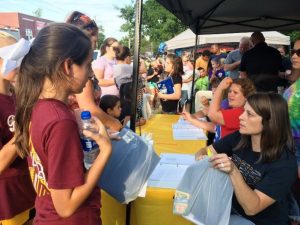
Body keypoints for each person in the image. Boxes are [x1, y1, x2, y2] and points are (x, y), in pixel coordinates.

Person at [14, 23, 112, 225]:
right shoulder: (60, 121)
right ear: (67, 67)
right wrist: (105, 151)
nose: (91, 74)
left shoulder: (38, 106)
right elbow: (65, 207)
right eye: (87, 65)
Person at [195, 93, 297, 225]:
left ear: (270, 122)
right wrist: (202, 158)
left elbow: (252, 208)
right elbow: (206, 150)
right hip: (230, 209)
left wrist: (233, 171)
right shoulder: (240, 137)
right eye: (244, 111)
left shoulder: (284, 164)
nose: (240, 117)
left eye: (250, 114)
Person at [0, 31, 36, 225]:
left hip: (25, 186)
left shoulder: (15, 94)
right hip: (6, 198)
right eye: (15, 57)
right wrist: (24, 129)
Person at [66, 11, 122, 131]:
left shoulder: (81, 63)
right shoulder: (78, 68)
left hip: (87, 127)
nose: (95, 43)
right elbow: (88, 107)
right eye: (92, 38)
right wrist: (116, 124)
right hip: (83, 131)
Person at [208, 77, 256, 141]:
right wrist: (191, 119)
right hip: (216, 148)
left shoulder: (241, 113)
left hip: (222, 150)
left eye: (235, 92)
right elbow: (216, 127)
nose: (230, 94)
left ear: (246, 97)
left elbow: (212, 115)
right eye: (230, 91)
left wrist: (220, 87)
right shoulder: (230, 109)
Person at [284, 37, 300, 177]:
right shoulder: (296, 82)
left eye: (299, 52)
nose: (294, 55)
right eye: (293, 51)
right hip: (289, 144)